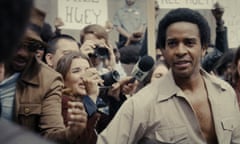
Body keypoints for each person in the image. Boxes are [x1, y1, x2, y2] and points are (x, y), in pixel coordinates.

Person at [97, 8, 240, 144]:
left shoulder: (225, 93)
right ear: (163, 50)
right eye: (172, 44)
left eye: (189, 43)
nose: (180, 51)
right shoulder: (142, 104)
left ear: (203, 48)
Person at [2, 14, 87, 144]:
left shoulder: (48, 80)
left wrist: (71, 132)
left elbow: (50, 134)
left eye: (31, 47)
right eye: (18, 44)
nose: (23, 53)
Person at [56, 52, 103, 144]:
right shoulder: (62, 101)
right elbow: (79, 140)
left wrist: (114, 97)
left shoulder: (84, 100)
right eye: (76, 71)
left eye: (87, 71)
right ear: (63, 79)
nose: (85, 77)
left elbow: (110, 128)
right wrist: (92, 97)